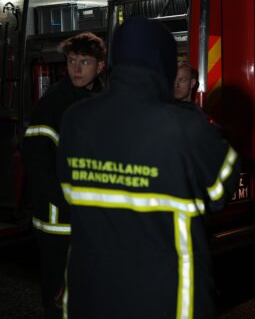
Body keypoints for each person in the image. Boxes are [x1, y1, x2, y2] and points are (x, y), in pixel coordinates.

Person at [56, 17, 239, 318]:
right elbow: (221, 188)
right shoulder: (186, 126)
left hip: (89, 295)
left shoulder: (75, 119)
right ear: (163, 65)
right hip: (166, 298)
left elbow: (69, 193)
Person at [22, 32, 106, 319]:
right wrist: (69, 205)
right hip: (59, 223)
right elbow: (37, 165)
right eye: (72, 61)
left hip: (92, 220)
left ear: (100, 66)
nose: (77, 69)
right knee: (59, 300)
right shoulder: (54, 103)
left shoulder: (103, 101)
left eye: (85, 62)